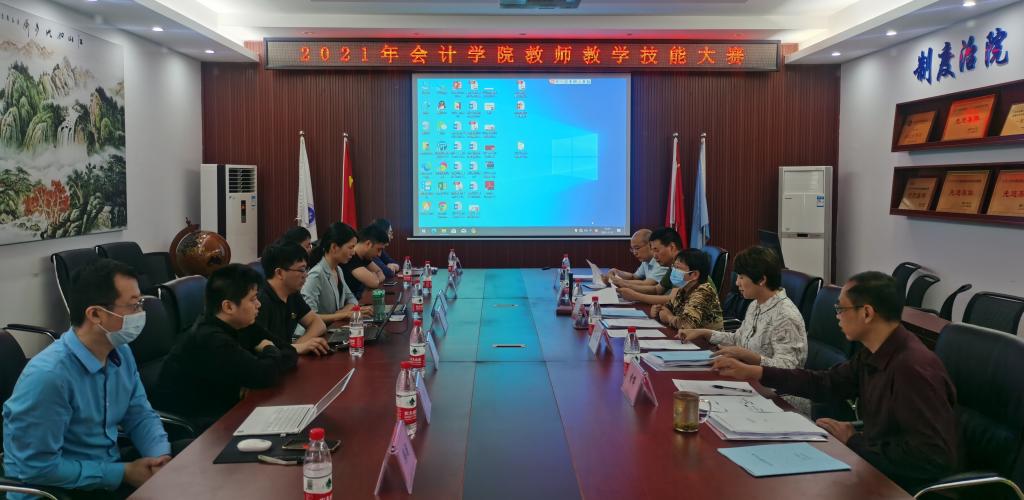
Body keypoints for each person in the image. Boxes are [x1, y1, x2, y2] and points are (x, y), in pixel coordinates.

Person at [712, 271, 958, 493]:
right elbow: (826, 383)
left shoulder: (912, 369)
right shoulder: (875, 351)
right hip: (875, 469)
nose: (837, 316)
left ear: (867, 313)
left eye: (841, 309)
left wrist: (854, 441)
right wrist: (757, 372)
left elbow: (931, 458)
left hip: (904, 487)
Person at [3, 259, 171, 498]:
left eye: (141, 303)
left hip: (104, 471)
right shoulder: (49, 377)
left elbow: (139, 413)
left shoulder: (120, 351)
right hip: (57, 490)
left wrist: (160, 458)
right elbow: (37, 468)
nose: (141, 313)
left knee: (187, 463)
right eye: (134, 305)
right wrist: (122, 473)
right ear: (95, 314)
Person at [156, 264, 298, 428]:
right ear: (228, 306)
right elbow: (265, 375)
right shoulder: (210, 338)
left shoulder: (242, 323)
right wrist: (268, 349)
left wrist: (256, 373)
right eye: (252, 299)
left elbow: (290, 352)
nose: (258, 304)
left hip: (227, 408)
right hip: (198, 424)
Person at [680, 245, 806, 369]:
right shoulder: (756, 304)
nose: (737, 282)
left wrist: (747, 356)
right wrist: (703, 332)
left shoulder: (786, 316)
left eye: (741, 277)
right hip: (744, 373)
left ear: (761, 280)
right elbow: (738, 339)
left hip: (765, 382)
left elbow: (788, 368)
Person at [257, 241, 330, 355]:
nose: (306, 275)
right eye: (301, 270)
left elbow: (318, 324)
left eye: (306, 269)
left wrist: (297, 346)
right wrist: (295, 349)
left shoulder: (291, 294)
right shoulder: (259, 301)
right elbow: (258, 346)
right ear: (279, 273)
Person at [650, 249, 724, 333]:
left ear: (694, 274)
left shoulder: (703, 292)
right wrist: (657, 311)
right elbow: (666, 309)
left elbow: (687, 325)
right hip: (687, 337)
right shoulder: (683, 289)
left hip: (708, 340)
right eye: (674, 267)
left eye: (678, 268)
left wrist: (669, 318)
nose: (673, 271)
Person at [302, 222, 359, 325]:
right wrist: (343, 315)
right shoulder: (316, 274)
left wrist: (341, 313)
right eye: (350, 247)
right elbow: (308, 317)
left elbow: (352, 299)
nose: (353, 252)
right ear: (334, 247)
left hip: (334, 328)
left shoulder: (338, 269)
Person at [615, 227, 682, 305]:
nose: (654, 255)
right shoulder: (673, 266)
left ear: (672, 247)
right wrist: (625, 286)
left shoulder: (683, 264)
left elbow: (672, 299)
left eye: (657, 250)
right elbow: (657, 290)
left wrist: (636, 296)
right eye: (653, 250)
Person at [341, 224, 389, 300]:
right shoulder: (351, 257)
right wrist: (374, 278)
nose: (379, 255)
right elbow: (373, 283)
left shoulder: (365, 257)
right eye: (379, 249)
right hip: (348, 303)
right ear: (368, 244)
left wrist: (374, 278)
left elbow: (380, 272)